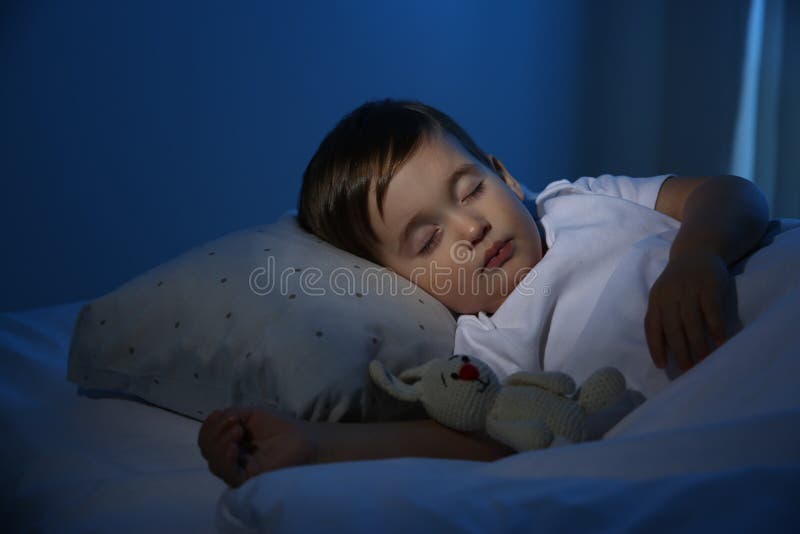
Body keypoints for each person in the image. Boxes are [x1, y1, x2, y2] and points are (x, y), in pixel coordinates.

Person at [198, 98, 770, 488]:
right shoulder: (487, 343)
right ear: (406, 287)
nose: (471, 229)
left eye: (471, 190)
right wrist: (312, 443)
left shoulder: (578, 200)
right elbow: (478, 441)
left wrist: (698, 255)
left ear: (506, 177)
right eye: (428, 241)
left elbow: (732, 193)